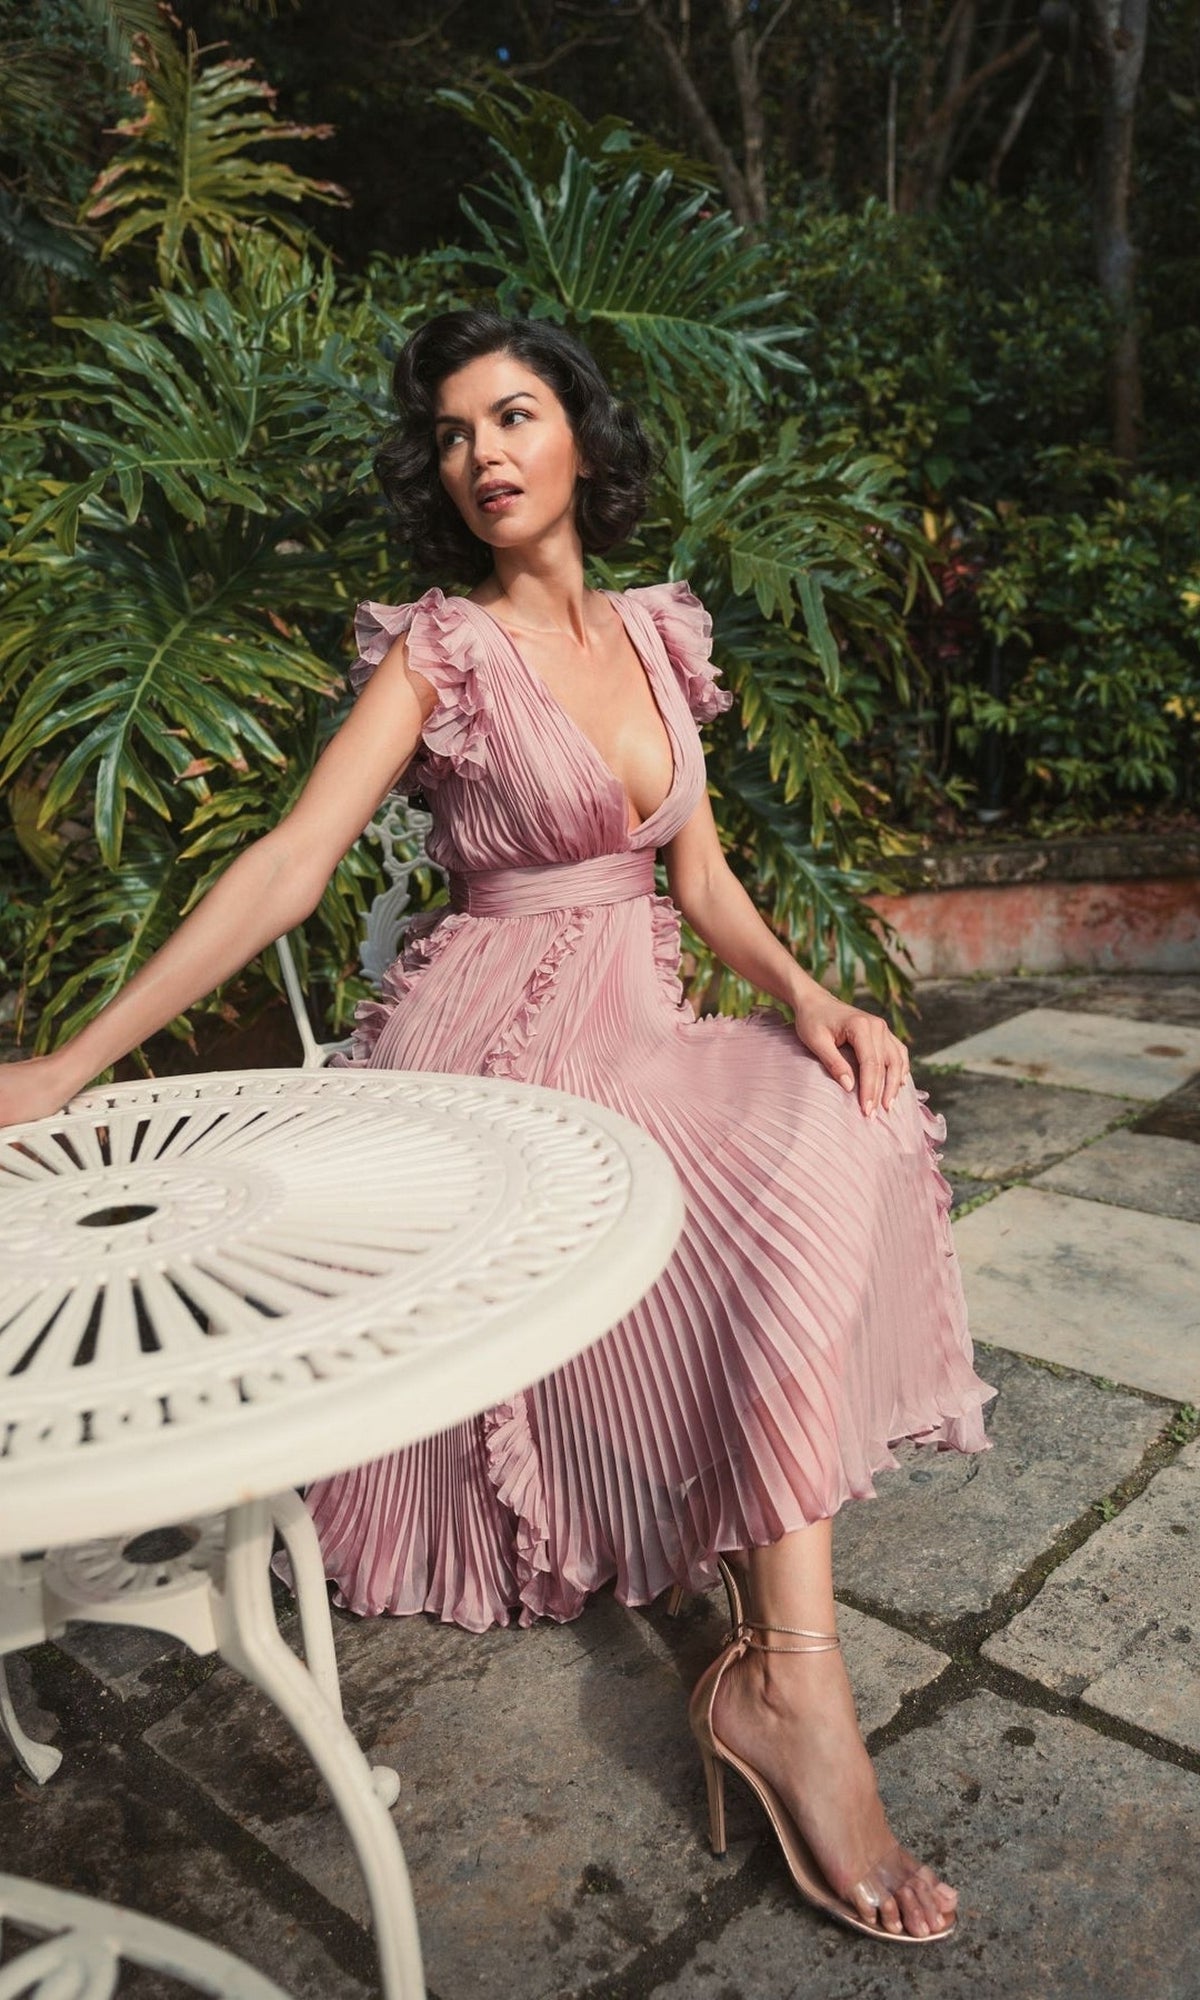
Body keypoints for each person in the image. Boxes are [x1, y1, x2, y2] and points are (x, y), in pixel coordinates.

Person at [0, 309, 993, 1944]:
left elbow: (701, 877)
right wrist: (68, 1060)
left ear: (583, 441)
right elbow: (291, 868)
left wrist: (810, 991)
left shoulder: (661, 633)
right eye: (457, 433)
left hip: (644, 1008)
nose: (485, 455)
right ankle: (796, 1696)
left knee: (844, 1113)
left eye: (515, 415)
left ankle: (780, 1662)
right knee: (780, 1174)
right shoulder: (438, 652)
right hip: (501, 1034)